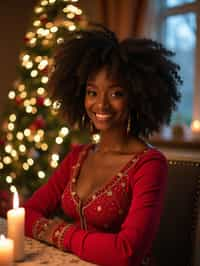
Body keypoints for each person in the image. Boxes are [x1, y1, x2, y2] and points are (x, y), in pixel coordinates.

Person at [24, 25, 182, 266]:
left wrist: (59, 233)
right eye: (92, 92)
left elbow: (126, 252)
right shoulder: (79, 155)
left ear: (136, 97)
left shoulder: (149, 164)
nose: (101, 105)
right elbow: (26, 215)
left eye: (116, 93)